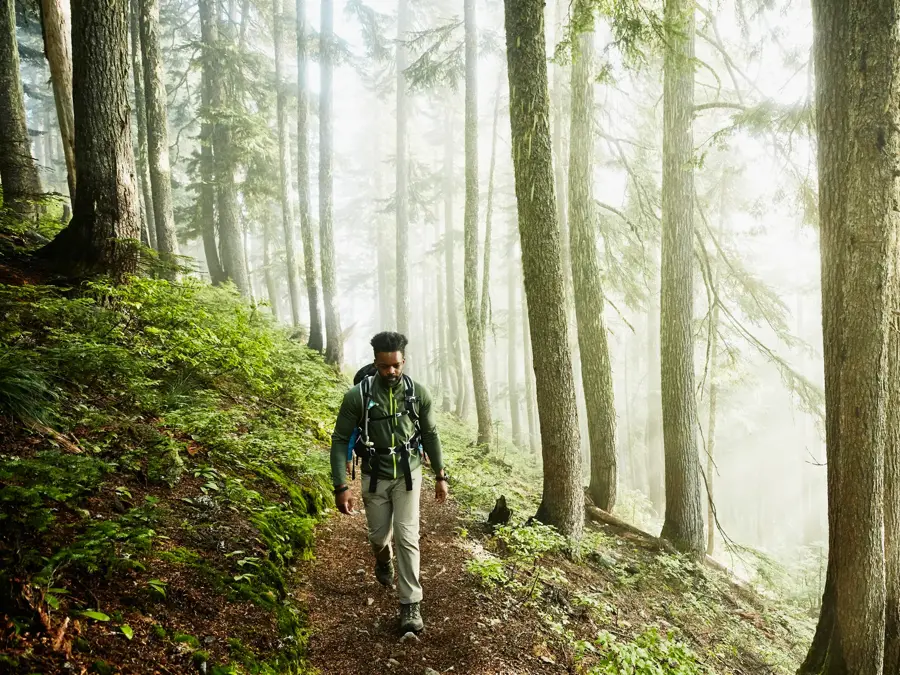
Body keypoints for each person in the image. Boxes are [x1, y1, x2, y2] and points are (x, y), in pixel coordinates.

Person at [330, 331, 449, 634]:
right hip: (374, 476)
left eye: (396, 365)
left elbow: (431, 434)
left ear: (403, 361)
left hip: (409, 474)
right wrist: (341, 486)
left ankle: (410, 604)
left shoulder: (418, 393)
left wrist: (440, 475)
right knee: (378, 537)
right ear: (375, 363)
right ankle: (383, 561)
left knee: (408, 537)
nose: (392, 372)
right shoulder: (357, 396)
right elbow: (340, 439)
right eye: (385, 367)